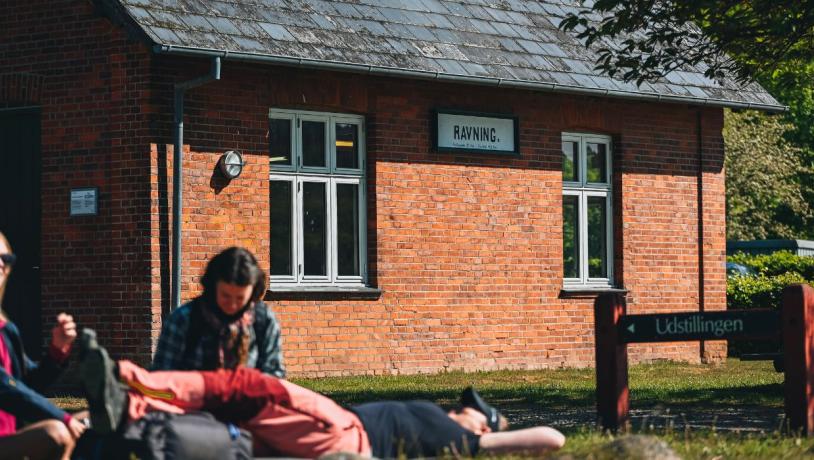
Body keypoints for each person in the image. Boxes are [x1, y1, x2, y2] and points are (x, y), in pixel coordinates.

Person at [80, 329, 565, 459]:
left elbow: (555, 440)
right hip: (327, 437)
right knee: (226, 429)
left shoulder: (459, 441)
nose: (459, 409)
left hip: (343, 433)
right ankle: (120, 417)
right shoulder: (445, 429)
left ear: (482, 424)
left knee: (249, 387)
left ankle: (131, 384)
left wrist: (497, 435)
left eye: (471, 411)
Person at [0, 231, 87, 459]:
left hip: (10, 437)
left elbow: (28, 384)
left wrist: (57, 351)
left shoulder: (6, 329)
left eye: (6, 259)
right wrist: (63, 417)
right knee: (55, 432)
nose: (1, 264)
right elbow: (6, 388)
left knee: (92, 419)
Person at [152, 247, 285, 377]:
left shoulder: (264, 320)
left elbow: (274, 375)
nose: (232, 305)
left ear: (253, 292)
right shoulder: (183, 319)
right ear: (212, 286)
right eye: (225, 296)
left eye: (240, 298)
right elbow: (162, 378)